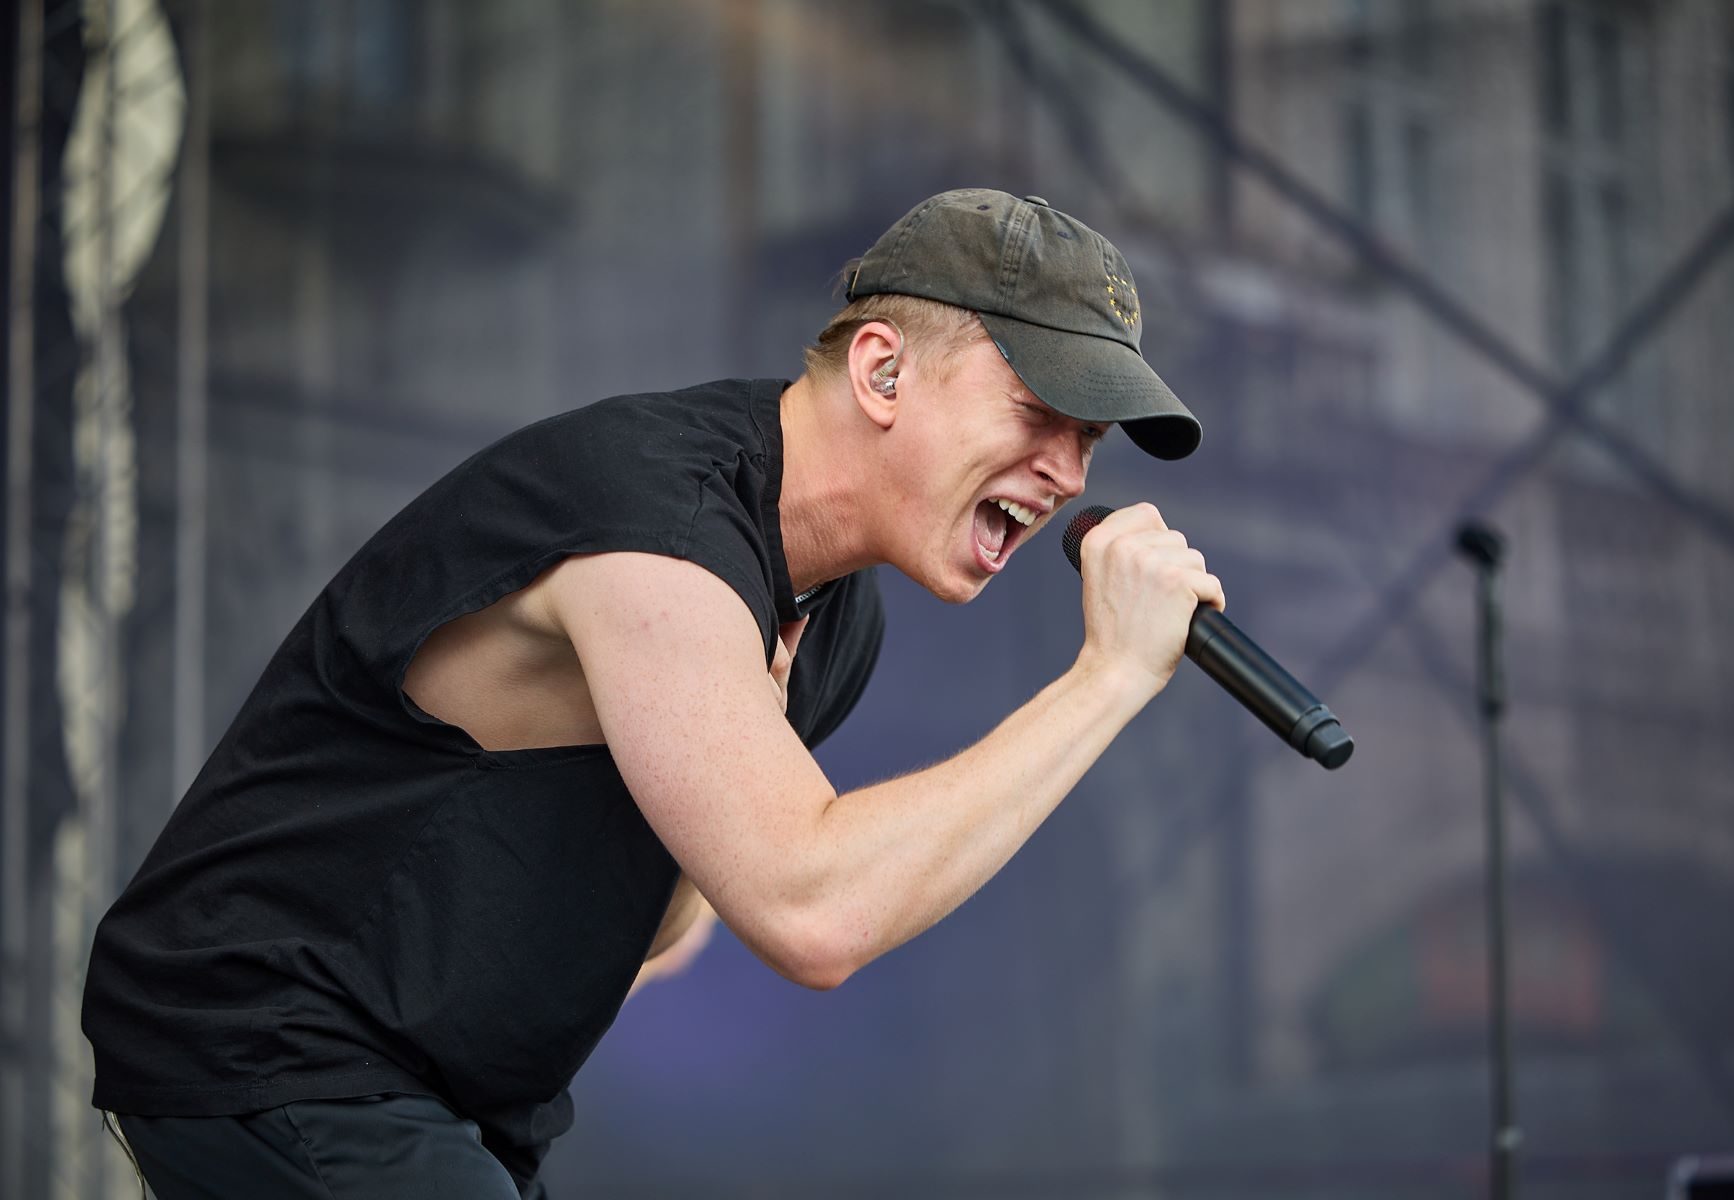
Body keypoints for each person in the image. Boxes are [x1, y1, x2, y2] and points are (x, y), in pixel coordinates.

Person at [81, 188, 1221, 1198]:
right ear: (883, 371)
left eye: (1088, 438)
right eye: (1038, 413)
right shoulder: (661, 533)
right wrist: (1108, 677)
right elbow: (815, 916)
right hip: (273, 1036)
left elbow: (664, 933)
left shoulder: (831, 615)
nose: (1069, 473)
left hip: (447, 1095)